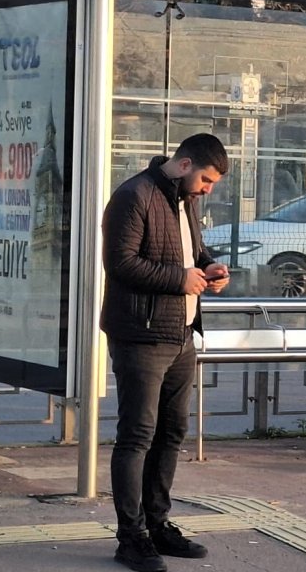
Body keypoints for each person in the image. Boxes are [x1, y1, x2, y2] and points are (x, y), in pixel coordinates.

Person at [101, 133, 230, 572]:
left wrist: (209, 267)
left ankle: (157, 525)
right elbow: (120, 263)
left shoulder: (184, 200)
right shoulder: (133, 195)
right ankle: (131, 537)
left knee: (171, 433)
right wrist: (180, 278)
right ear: (185, 163)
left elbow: (191, 250)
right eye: (207, 180)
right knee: (137, 435)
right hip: (141, 335)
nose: (208, 189)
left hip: (181, 334)